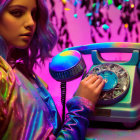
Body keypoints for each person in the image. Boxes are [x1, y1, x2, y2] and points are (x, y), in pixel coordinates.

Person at [0, 0, 105, 139]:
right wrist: (81, 106)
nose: (31, 23)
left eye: (34, 14)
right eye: (17, 13)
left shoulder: (19, 71)